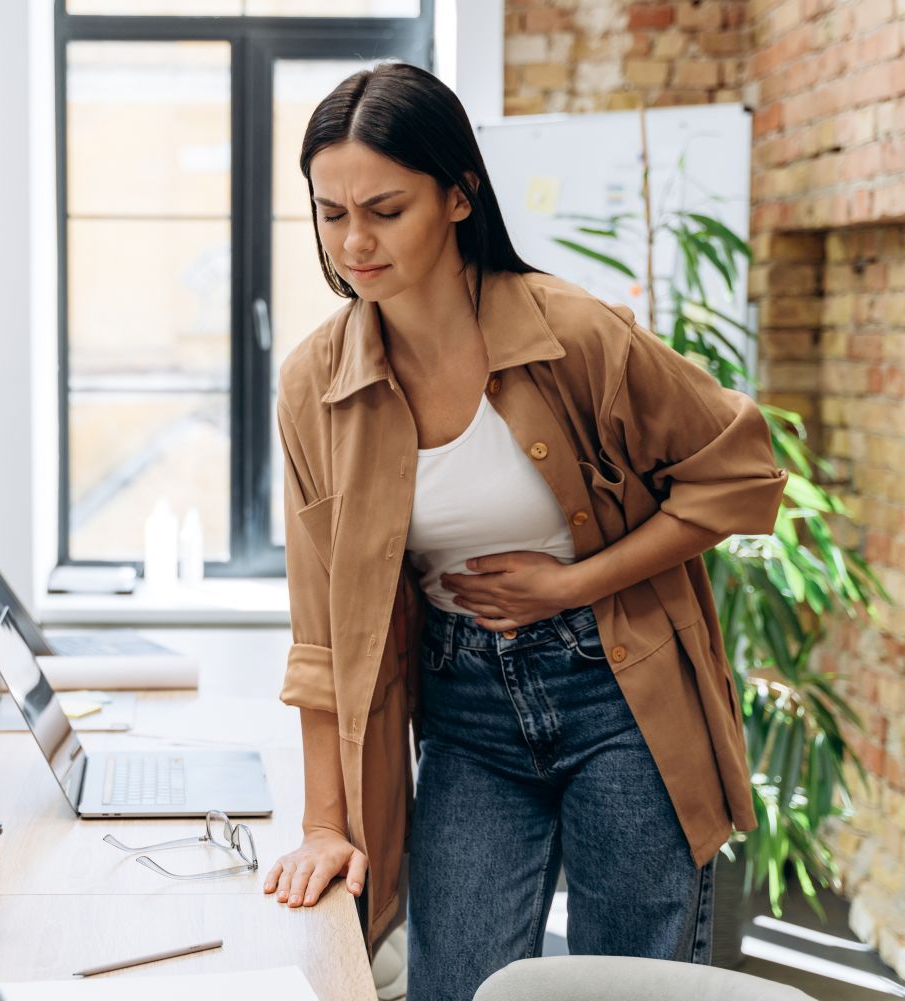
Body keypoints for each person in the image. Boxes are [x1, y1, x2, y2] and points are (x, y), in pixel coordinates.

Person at [260, 61, 787, 1001]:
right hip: (464, 712)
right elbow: (322, 636)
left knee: (627, 986)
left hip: (620, 695)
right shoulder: (315, 385)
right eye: (331, 212)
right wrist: (322, 824)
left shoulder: (577, 335)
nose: (354, 241)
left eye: (385, 208)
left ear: (459, 195)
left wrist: (574, 584)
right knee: (453, 985)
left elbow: (740, 474)